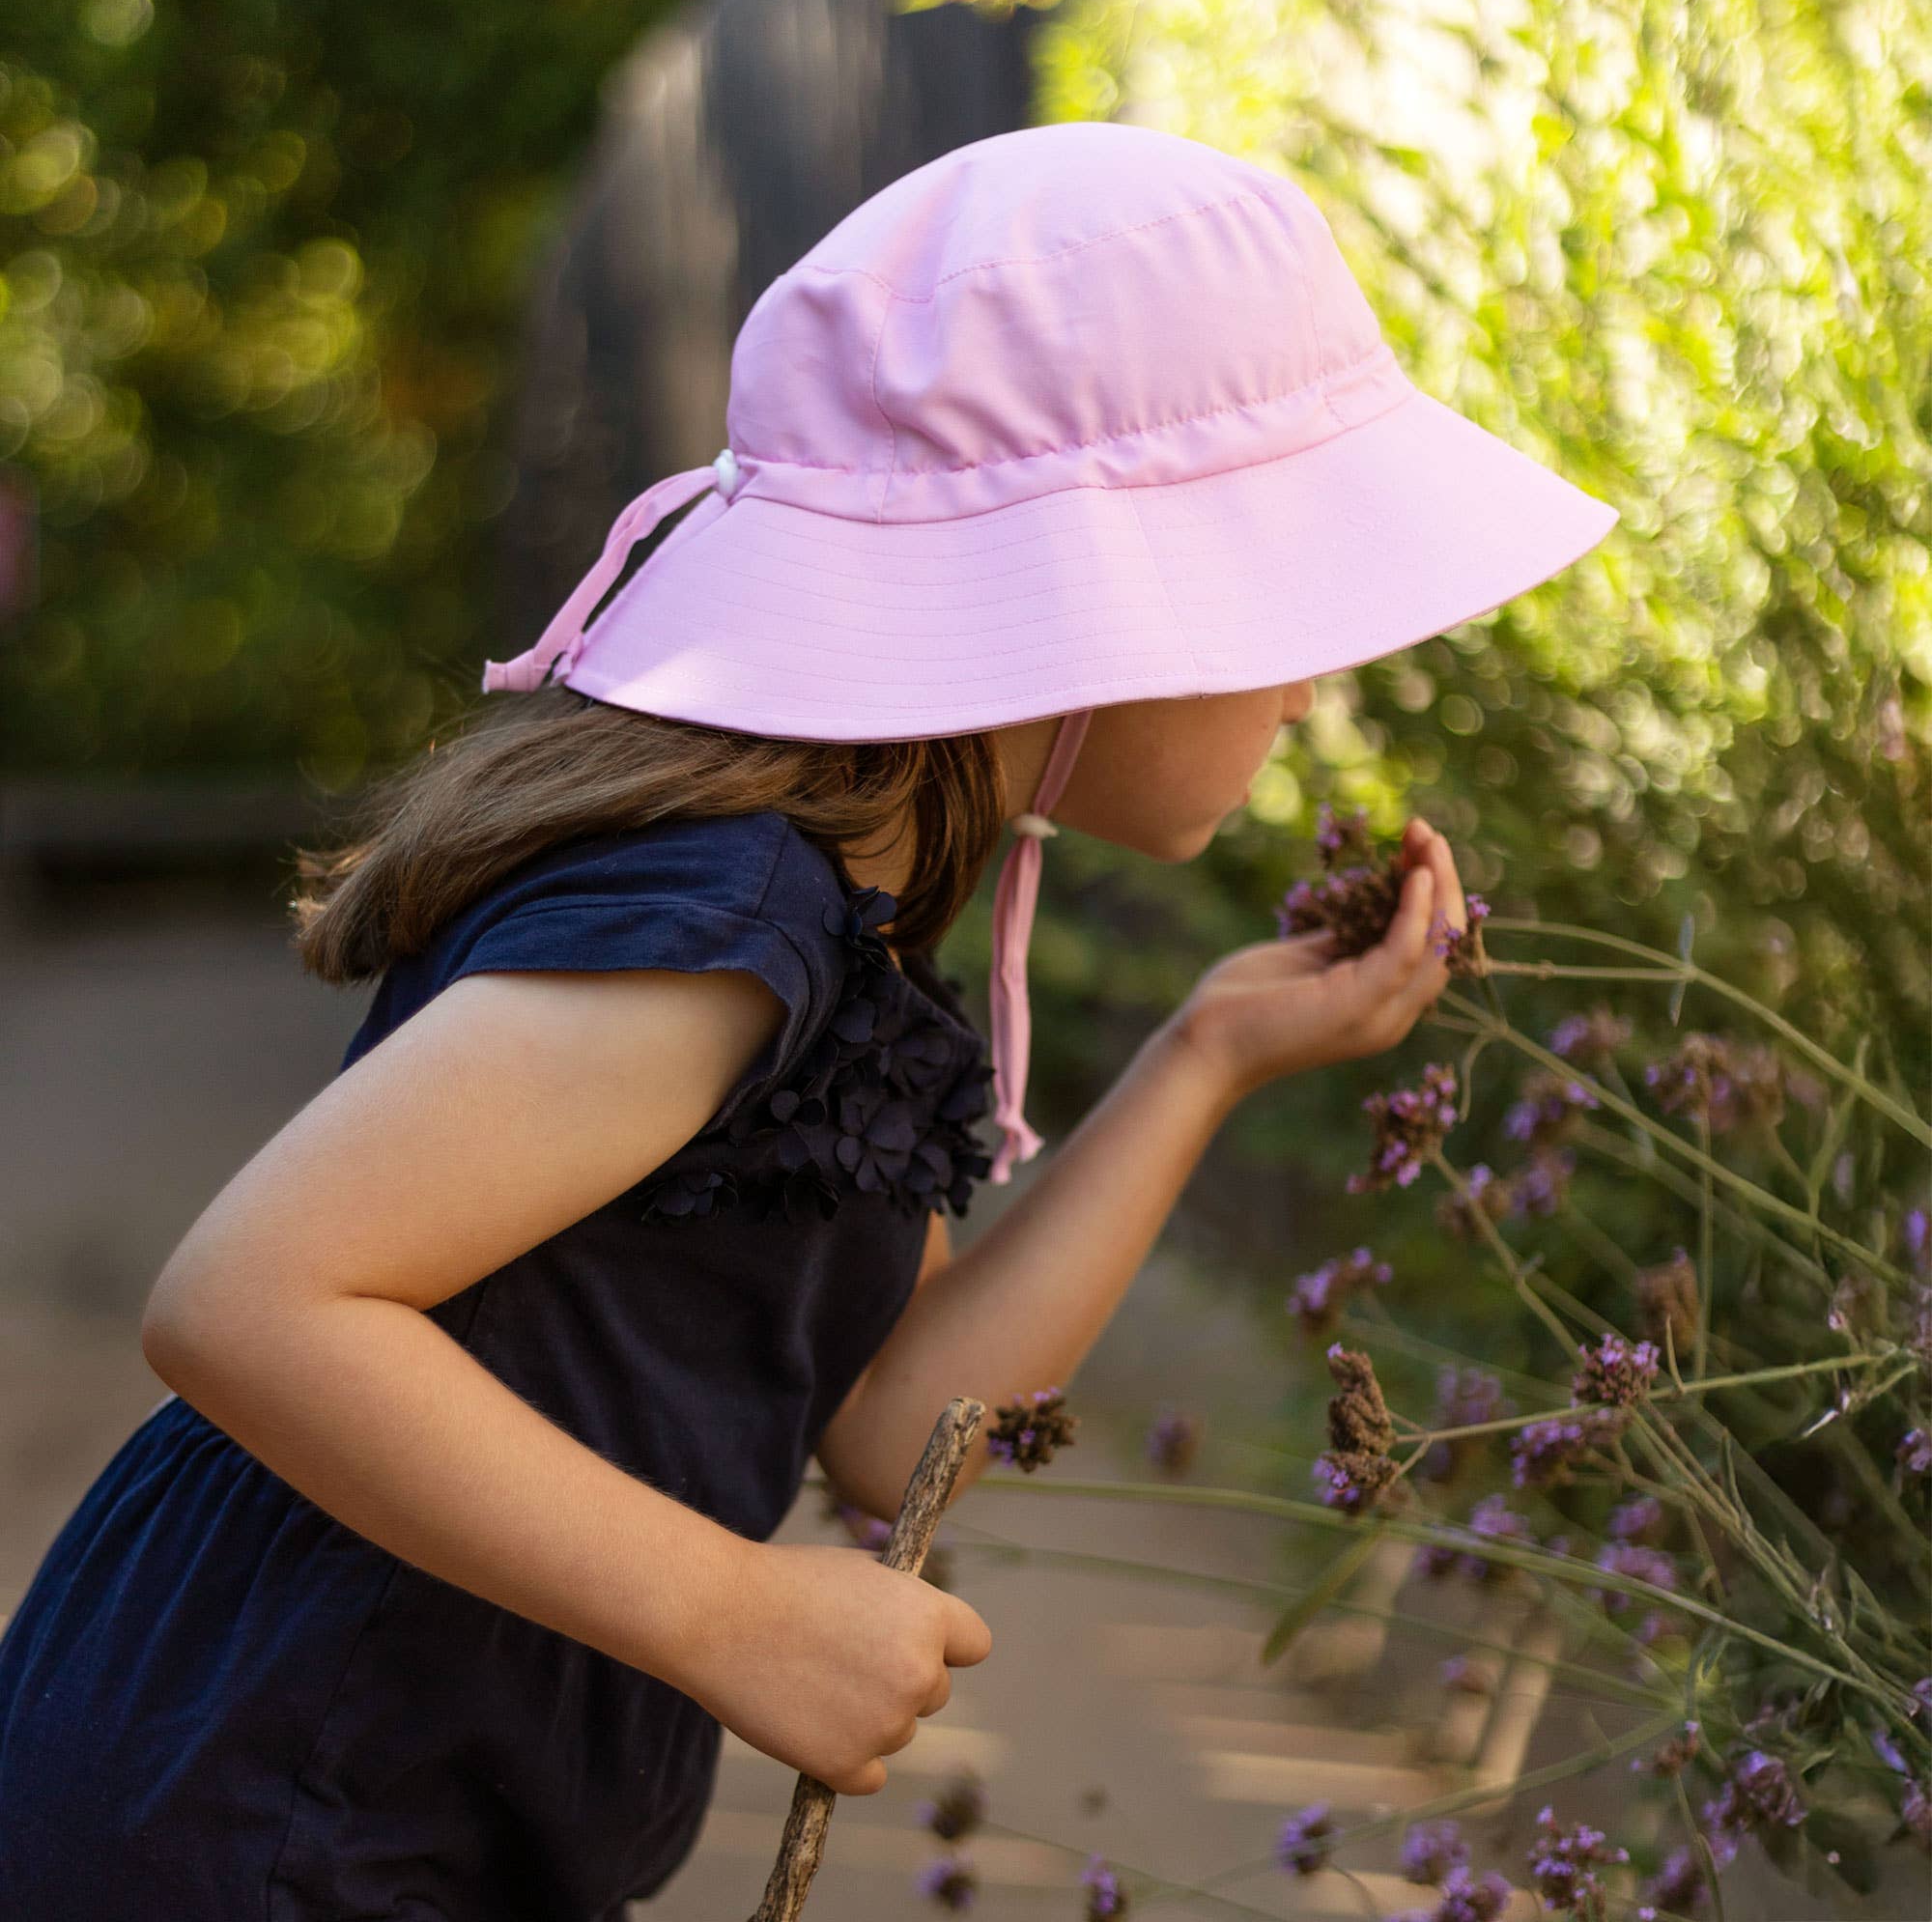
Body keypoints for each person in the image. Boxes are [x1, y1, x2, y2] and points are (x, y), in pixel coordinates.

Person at [0, 122, 1616, 1918]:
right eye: (1279, 599)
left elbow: (885, 1422)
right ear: (1098, 597)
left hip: (407, 1808)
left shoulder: (846, 923)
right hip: (254, 1810)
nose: (1313, 678)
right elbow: (251, 1301)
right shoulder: (720, 913)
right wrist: (730, 1611)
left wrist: (1208, 1057)